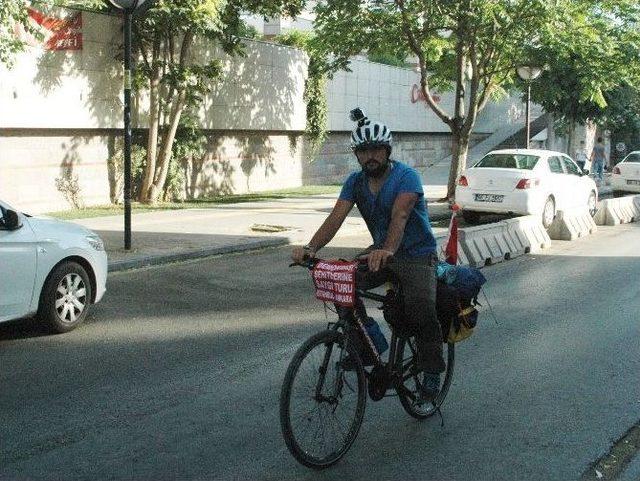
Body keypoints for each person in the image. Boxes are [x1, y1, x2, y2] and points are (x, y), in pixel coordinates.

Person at [291, 108, 445, 403]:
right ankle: (368, 344)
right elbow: (335, 219)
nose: (370, 156)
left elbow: (400, 217)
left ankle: (432, 371)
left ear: (387, 151)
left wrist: (386, 249)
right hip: (380, 253)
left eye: (376, 149)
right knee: (341, 285)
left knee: (422, 306)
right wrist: (311, 249)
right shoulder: (355, 182)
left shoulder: (406, 177)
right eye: (363, 151)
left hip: (416, 255)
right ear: (356, 154)